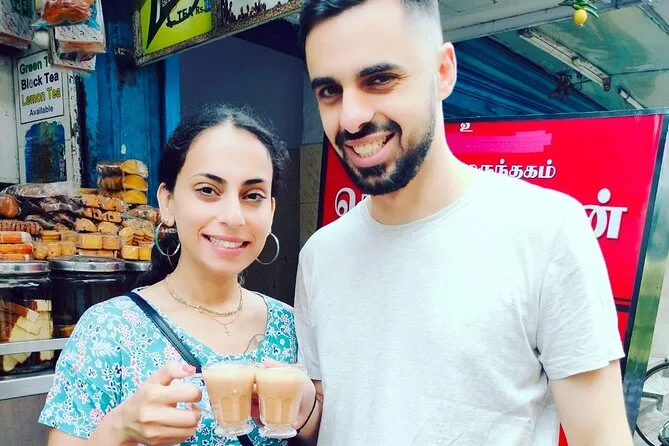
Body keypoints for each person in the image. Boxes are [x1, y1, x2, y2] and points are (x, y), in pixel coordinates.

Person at [293, 0, 633, 445]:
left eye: (379, 79)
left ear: (443, 72)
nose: (351, 117)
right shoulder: (319, 255)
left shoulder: (547, 232)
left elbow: (602, 437)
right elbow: (335, 418)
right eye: (329, 91)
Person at [39, 105, 317, 445]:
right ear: (167, 202)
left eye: (253, 196)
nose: (233, 216)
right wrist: (121, 428)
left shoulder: (291, 327)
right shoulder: (109, 329)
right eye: (207, 190)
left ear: (270, 211)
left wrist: (307, 413)